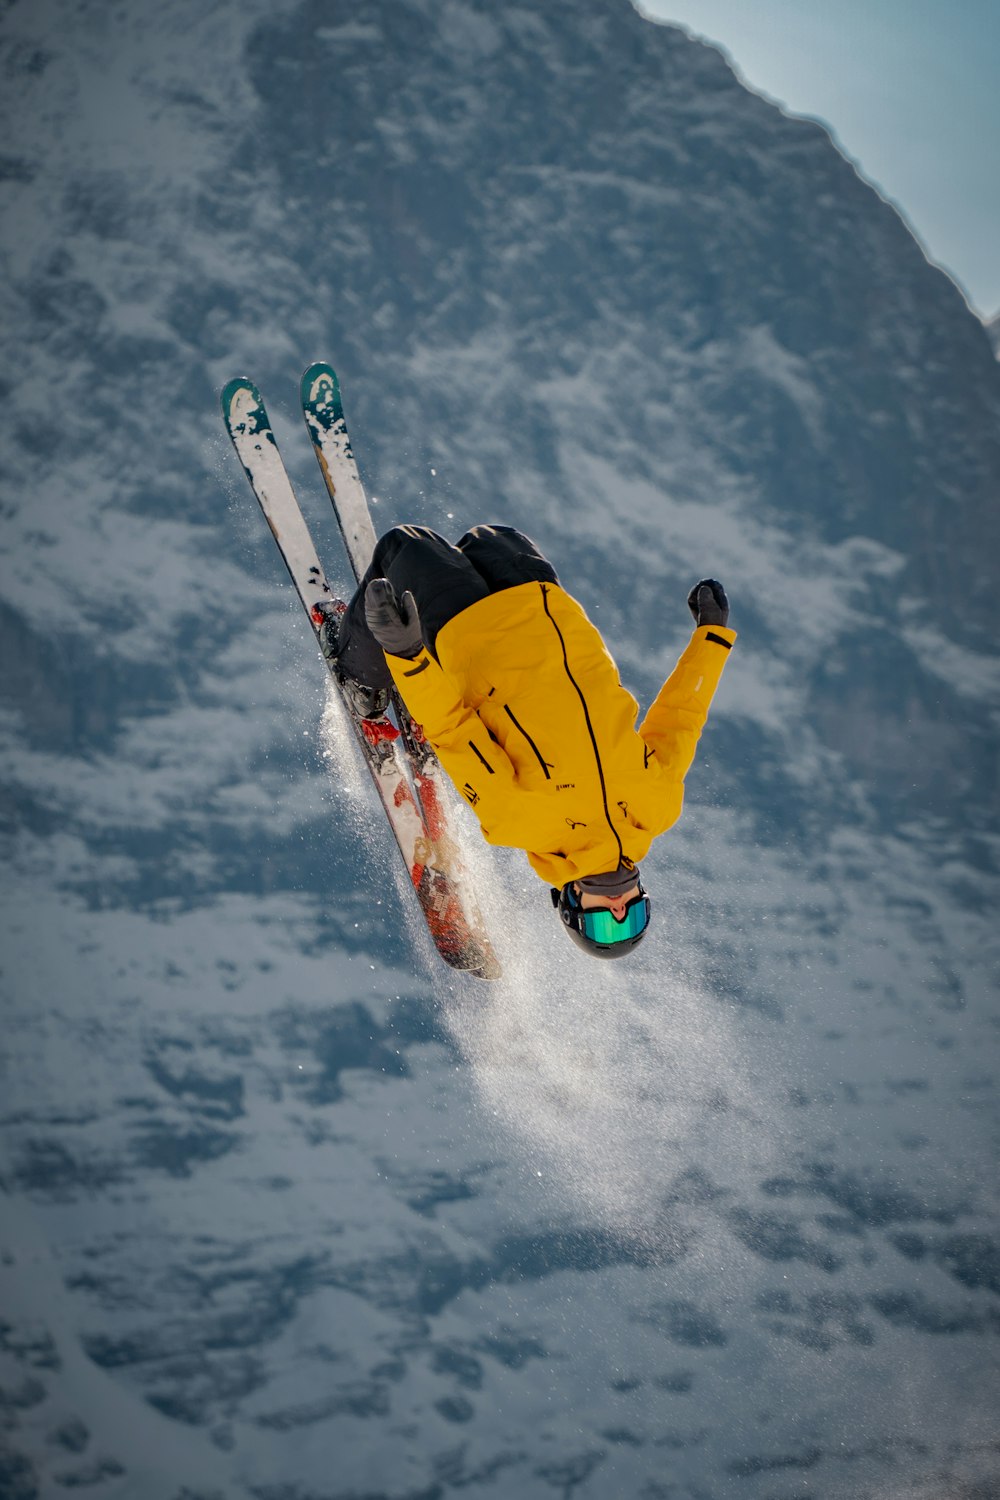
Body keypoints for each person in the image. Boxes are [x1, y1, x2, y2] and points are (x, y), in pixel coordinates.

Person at [330, 523, 735, 960]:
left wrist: (406, 655)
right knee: (494, 537)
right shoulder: (658, 808)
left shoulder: (520, 822)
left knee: (404, 545)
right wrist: (710, 637)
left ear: (571, 906)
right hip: (546, 608)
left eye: (603, 921)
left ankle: (362, 678)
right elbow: (682, 717)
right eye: (634, 917)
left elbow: (452, 731)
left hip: (469, 630)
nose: (619, 910)